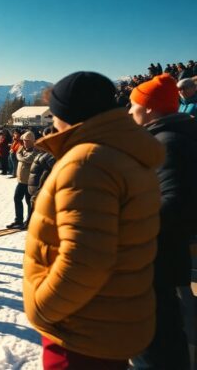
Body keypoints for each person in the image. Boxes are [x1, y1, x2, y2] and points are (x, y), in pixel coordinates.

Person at [23, 71, 164, 368]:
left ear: (67, 114)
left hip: (81, 328)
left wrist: (41, 308)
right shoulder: (123, 152)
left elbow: (85, 260)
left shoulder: (88, 162)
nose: (52, 123)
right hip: (108, 318)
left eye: (55, 114)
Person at [128, 74, 197, 369]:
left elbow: (175, 204)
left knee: (157, 335)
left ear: (150, 108)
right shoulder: (169, 136)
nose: (130, 112)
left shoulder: (167, 142)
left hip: (159, 256)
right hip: (164, 254)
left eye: (134, 106)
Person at [6, 130, 38, 230]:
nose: (25, 142)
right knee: (17, 198)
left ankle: (29, 221)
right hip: (21, 180)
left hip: (29, 181)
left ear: (32, 141)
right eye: (24, 140)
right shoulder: (22, 149)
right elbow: (17, 154)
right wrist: (19, 155)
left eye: (27, 141)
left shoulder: (35, 151)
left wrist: (19, 156)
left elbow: (27, 159)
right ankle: (19, 220)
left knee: (29, 201)